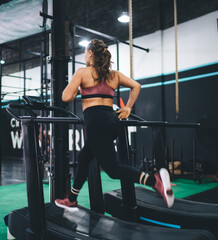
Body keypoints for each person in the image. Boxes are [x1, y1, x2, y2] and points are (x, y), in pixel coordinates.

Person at [55, 39, 174, 212]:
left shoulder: (82, 72)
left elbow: (66, 97)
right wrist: (127, 108)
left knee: (113, 169)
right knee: (84, 158)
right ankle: (72, 199)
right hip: (112, 122)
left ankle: (154, 181)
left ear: (90, 54)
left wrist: (76, 84)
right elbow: (136, 86)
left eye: (85, 53)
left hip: (95, 123)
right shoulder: (114, 75)